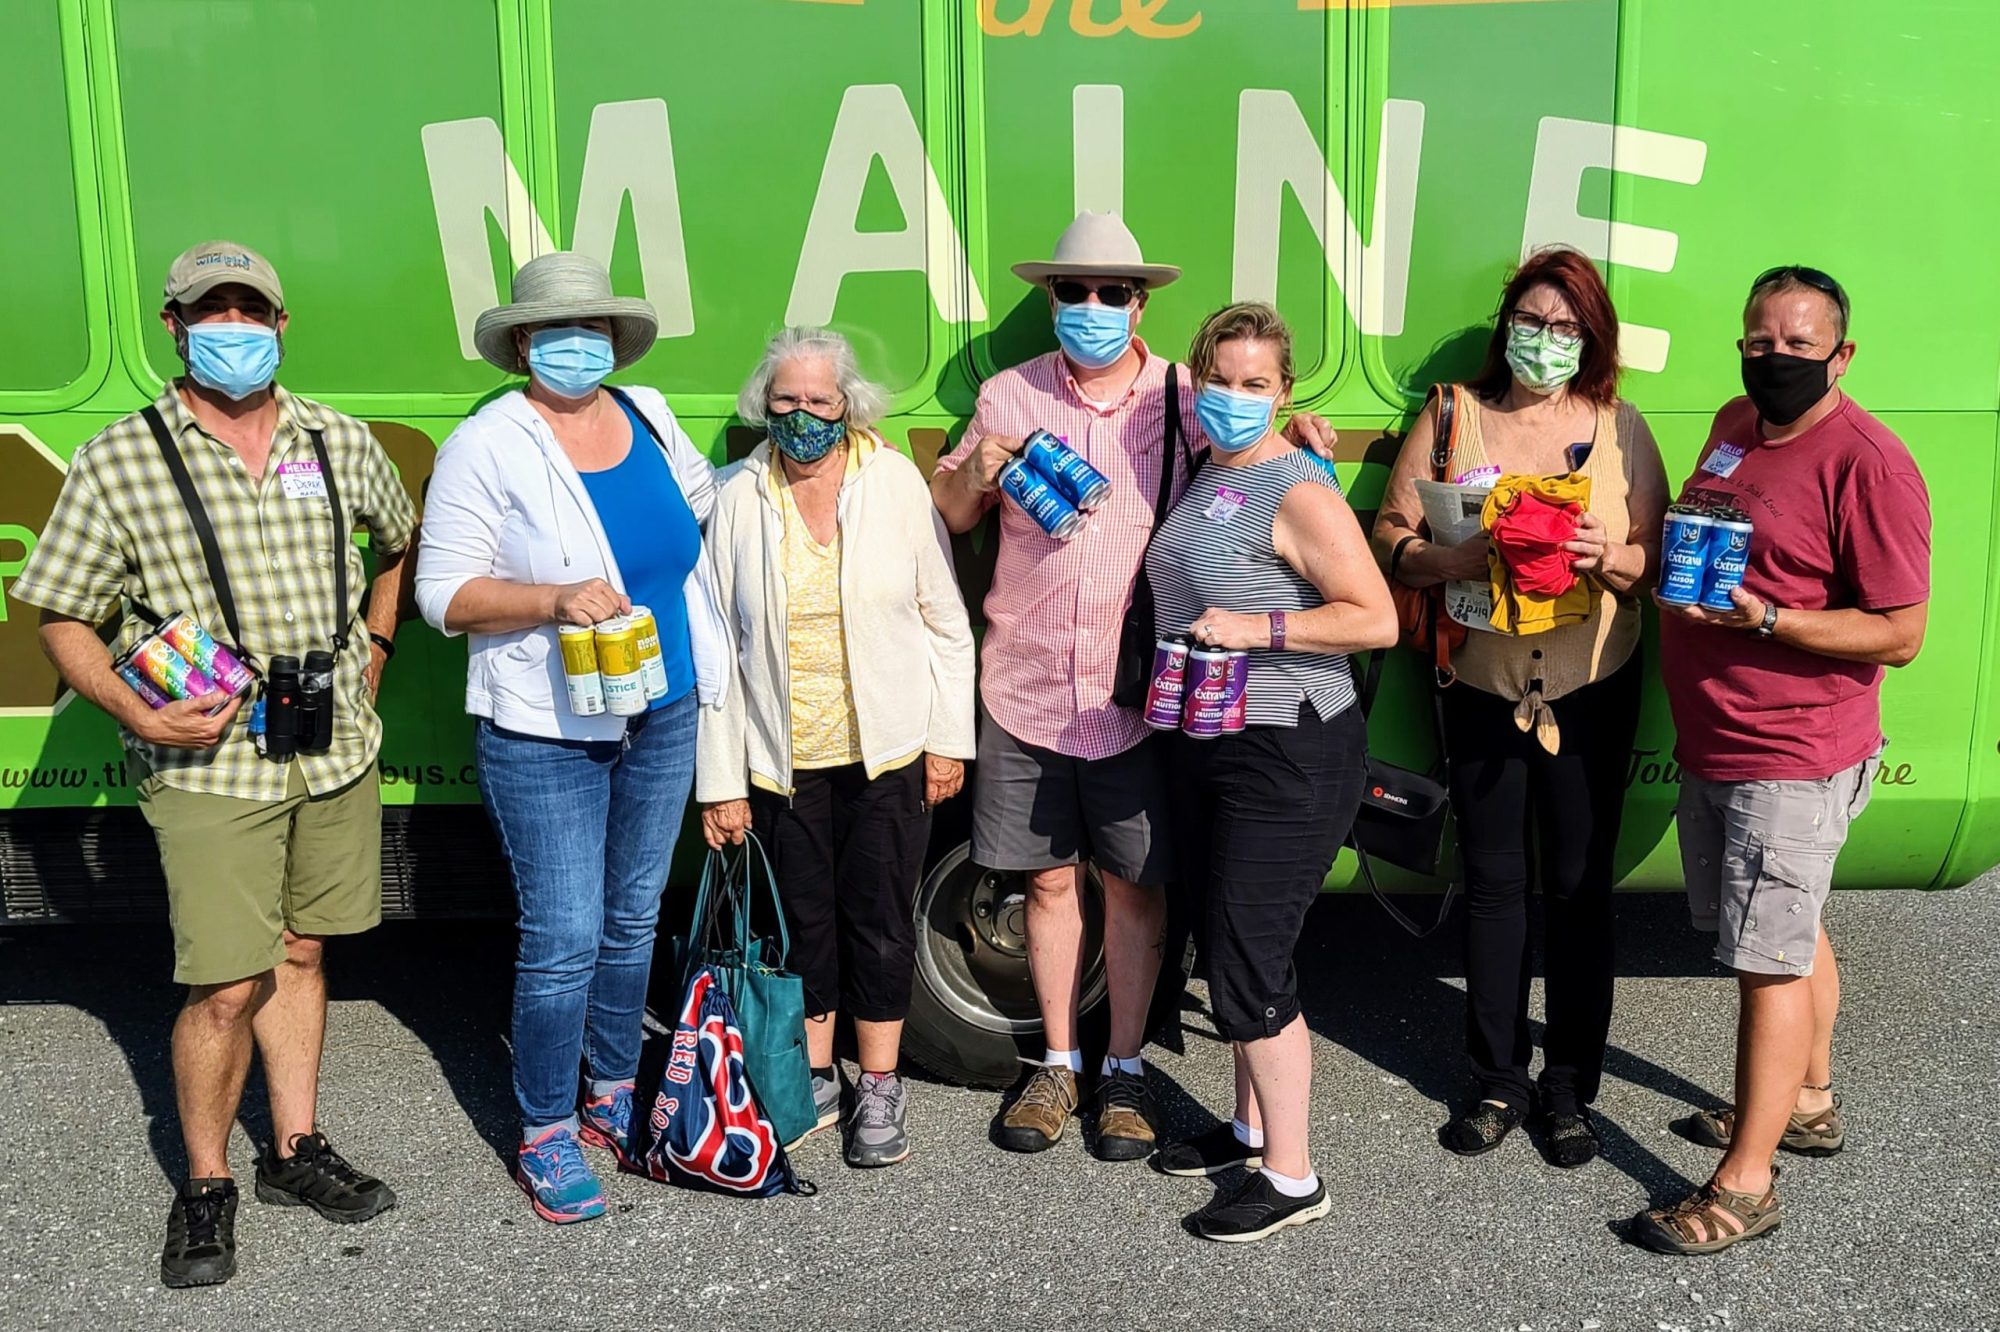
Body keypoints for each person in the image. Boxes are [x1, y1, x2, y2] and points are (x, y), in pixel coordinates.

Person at [12, 241, 416, 1287]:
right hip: (209, 767)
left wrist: (374, 647)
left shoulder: (336, 439)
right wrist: (136, 709)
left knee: (303, 952)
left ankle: (293, 1149)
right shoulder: (121, 457)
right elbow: (59, 613)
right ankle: (204, 1184)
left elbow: (397, 541)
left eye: (249, 310)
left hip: (331, 747)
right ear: (174, 326)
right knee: (227, 983)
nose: (231, 327)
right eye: (209, 310)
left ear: (280, 324)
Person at [930, 212, 1334, 1162]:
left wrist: (1299, 436)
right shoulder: (1006, 394)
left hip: (1140, 693)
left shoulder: (1188, 397)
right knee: (1046, 882)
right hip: (1027, 683)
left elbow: (1253, 457)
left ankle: (1123, 1069)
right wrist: (974, 472)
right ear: (1050, 298)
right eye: (1074, 290)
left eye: (1114, 292)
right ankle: (1057, 1065)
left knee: (1136, 888)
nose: (1093, 306)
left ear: (1141, 303)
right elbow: (950, 514)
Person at [414, 252, 728, 1225]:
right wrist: (550, 599)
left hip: (662, 704)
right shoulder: (488, 443)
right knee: (564, 937)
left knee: (633, 919)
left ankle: (610, 1092)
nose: (574, 345)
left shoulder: (650, 415)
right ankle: (546, 1127)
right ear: (521, 344)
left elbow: (700, 516)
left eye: (590, 328)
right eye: (554, 331)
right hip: (545, 726)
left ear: (615, 339)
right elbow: (441, 594)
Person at [1633, 267, 1929, 1254]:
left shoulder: (1869, 465)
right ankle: (1804, 1102)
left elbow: (1899, 632)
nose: (1775, 359)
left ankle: (1744, 1185)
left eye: (1799, 345)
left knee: (1764, 963)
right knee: (1791, 933)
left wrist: (1770, 620)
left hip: (1790, 750)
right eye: (1760, 341)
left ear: (1841, 355)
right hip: (1721, 735)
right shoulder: (1733, 425)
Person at [1372, 247, 1669, 1166]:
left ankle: (1571, 1085)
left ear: (1593, 338)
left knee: (1579, 891)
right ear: (1507, 327)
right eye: (1533, 321)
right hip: (1482, 685)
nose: (1547, 340)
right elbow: (1390, 535)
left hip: (1591, 685)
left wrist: (1608, 556)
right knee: (1495, 888)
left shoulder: (1620, 428)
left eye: (1567, 326)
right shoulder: (1453, 415)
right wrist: (1447, 559)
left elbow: (1655, 559)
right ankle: (1498, 1078)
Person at [1142, 302, 1396, 1240]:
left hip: (1289, 746)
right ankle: (1249, 1131)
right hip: (1214, 737)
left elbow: (1374, 618)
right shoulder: (1211, 471)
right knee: (1231, 944)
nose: (1234, 397)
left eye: (1256, 384)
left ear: (1283, 393)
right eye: (1221, 380)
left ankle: (1292, 1177)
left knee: (1249, 960)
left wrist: (1258, 627)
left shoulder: (1298, 489)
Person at [696, 327, 976, 1169]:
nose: (803, 414)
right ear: (763, 405)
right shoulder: (737, 497)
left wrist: (947, 741)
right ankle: (816, 1075)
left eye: (820, 400)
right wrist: (721, 780)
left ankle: (879, 1083)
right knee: (802, 924)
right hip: (780, 759)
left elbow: (945, 620)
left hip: (888, 751)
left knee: (881, 919)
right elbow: (716, 650)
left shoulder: (892, 482)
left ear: (847, 405)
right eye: (786, 399)